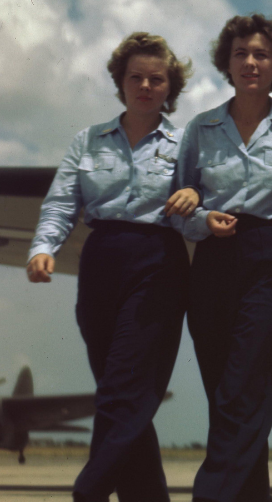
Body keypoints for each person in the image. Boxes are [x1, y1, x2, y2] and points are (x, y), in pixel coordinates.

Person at [26, 32, 194, 501]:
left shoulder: (188, 145)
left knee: (124, 388)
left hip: (158, 262)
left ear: (169, 87)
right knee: (121, 392)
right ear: (120, 82)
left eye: (156, 79)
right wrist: (43, 247)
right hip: (100, 263)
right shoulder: (88, 141)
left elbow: (203, 208)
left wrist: (194, 200)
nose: (145, 85)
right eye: (135, 77)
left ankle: (90, 490)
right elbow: (61, 203)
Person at [177, 14, 272, 502]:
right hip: (212, 260)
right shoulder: (201, 128)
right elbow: (180, 203)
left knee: (244, 386)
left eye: (261, 55)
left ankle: (210, 494)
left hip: (268, 258)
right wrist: (200, 220)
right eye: (241, 54)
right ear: (227, 64)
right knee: (225, 393)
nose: (251, 62)